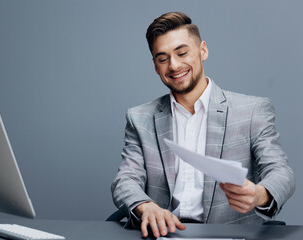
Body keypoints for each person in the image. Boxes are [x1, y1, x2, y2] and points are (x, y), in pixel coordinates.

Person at [111, 12, 295, 238]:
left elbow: (281, 172)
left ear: (203, 51)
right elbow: (125, 179)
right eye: (163, 58)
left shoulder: (252, 111)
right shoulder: (140, 118)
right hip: (164, 235)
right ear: (156, 66)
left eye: (182, 53)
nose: (174, 65)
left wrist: (259, 194)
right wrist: (145, 205)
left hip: (229, 235)